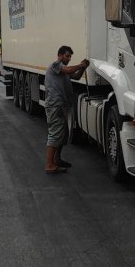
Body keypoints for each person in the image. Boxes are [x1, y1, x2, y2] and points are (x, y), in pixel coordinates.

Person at [44, 45, 89, 174]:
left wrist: (83, 68)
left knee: (62, 135)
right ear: (60, 55)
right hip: (55, 105)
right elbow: (69, 70)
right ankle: (49, 165)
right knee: (55, 134)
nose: (69, 58)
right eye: (67, 56)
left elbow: (75, 77)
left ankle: (57, 160)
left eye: (70, 56)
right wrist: (81, 65)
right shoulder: (56, 65)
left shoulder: (63, 71)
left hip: (62, 105)